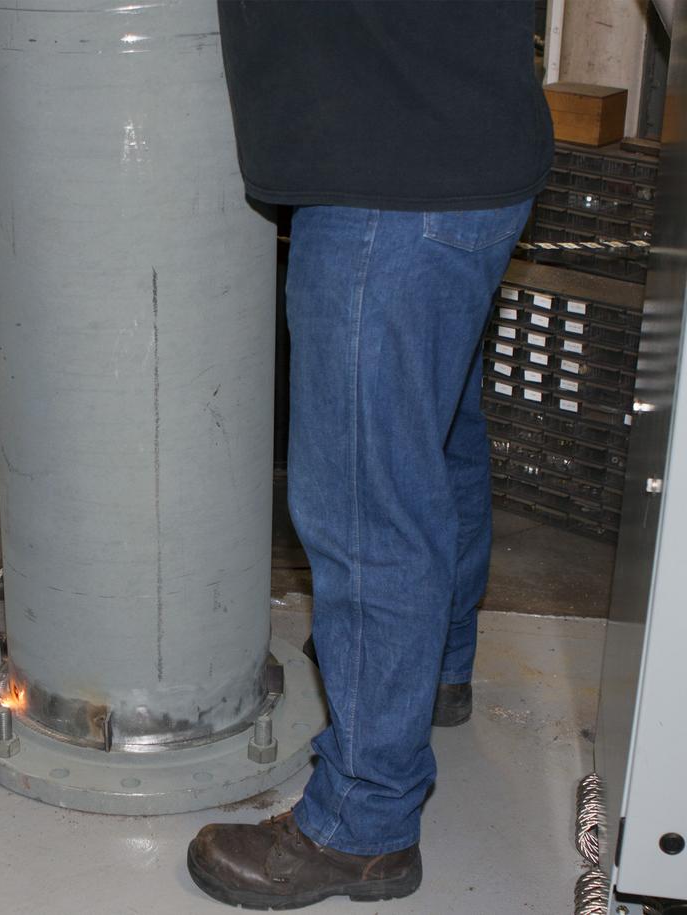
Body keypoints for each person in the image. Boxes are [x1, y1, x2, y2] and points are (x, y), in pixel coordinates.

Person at [189, 2, 553, 909]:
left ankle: (362, 826)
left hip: (388, 166)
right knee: (434, 440)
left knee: (364, 504)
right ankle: (437, 672)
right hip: (460, 142)